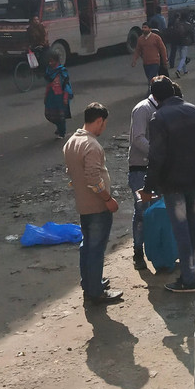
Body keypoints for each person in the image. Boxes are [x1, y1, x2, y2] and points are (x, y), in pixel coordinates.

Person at [145, 76, 195, 292]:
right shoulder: (194, 110)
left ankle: (188, 279)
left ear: (154, 97)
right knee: (192, 223)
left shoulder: (158, 118)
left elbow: (156, 158)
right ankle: (191, 269)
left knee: (181, 228)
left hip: (173, 183)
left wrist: (148, 187)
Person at [63, 103, 123, 305]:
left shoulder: (71, 142)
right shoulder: (91, 145)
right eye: (104, 124)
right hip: (97, 206)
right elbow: (93, 178)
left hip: (83, 204)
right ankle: (95, 291)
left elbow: (72, 172)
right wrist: (107, 199)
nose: (103, 128)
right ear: (99, 121)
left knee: (87, 246)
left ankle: (90, 283)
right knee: (96, 248)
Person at [127, 81, 165, 271]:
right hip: (140, 168)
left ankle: (156, 250)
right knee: (142, 210)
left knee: (157, 210)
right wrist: (158, 153)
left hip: (156, 168)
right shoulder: (143, 109)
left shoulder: (161, 109)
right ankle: (138, 252)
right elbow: (138, 138)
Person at [42, 50, 73, 138]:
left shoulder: (62, 71)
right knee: (49, 114)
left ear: (57, 61)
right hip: (51, 95)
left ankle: (62, 131)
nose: (50, 63)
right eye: (49, 61)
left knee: (60, 116)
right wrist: (46, 96)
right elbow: (48, 85)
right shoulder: (48, 71)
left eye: (52, 61)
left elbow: (66, 84)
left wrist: (65, 97)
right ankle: (59, 127)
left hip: (60, 96)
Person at [131, 22, 168, 91]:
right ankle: (157, 89)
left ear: (150, 29)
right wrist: (134, 60)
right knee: (149, 78)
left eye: (145, 27)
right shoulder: (140, 39)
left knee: (151, 78)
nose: (143, 29)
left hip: (155, 62)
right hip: (146, 63)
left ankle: (150, 92)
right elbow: (137, 50)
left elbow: (162, 49)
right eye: (143, 27)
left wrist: (165, 60)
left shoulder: (156, 38)